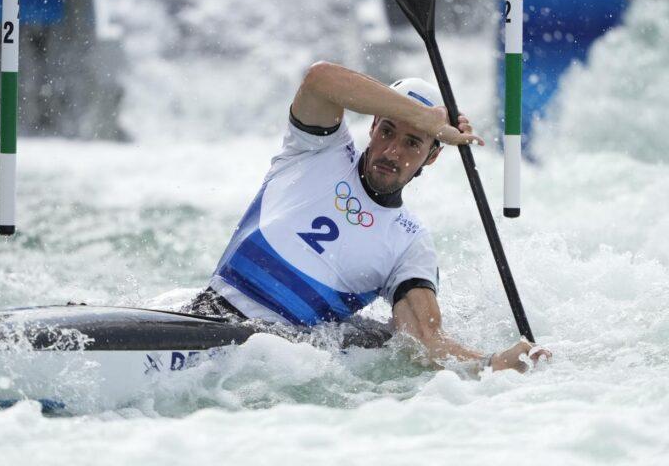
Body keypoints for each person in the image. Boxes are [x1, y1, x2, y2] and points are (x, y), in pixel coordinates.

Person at [186, 61, 548, 373]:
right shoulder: (316, 149)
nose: (393, 151)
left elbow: (425, 340)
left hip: (272, 359)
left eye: (413, 143)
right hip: (204, 315)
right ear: (371, 126)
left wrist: (492, 363)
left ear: (431, 157)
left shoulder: (410, 243)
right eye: (388, 130)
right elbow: (320, 78)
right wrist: (423, 119)